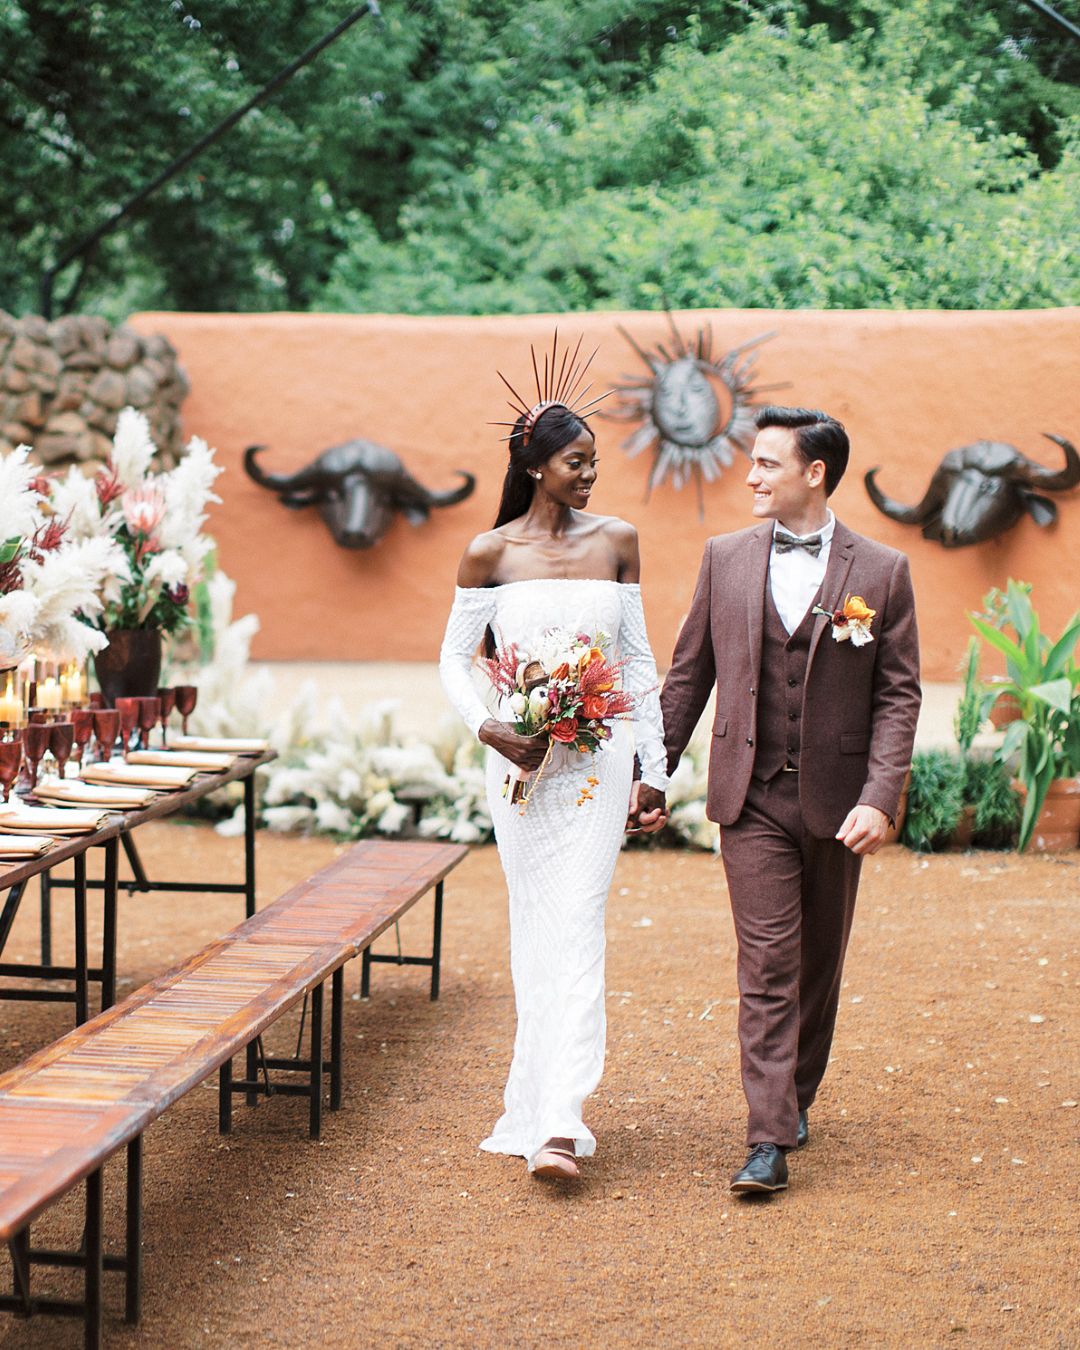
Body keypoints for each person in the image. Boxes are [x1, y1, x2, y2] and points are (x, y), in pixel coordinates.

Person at [637, 405, 921, 1195]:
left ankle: (794, 1097)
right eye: (753, 462)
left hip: (837, 802)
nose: (752, 476)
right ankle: (766, 1139)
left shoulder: (882, 571)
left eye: (767, 463)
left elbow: (898, 698)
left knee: (819, 965)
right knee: (767, 964)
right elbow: (688, 676)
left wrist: (880, 797)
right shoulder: (724, 558)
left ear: (814, 473)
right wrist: (654, 772)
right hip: (751, 797)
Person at [439, 348, 669, 1181]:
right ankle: (535, 1107)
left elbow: (640, 667)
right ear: (534, 466)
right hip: (523, 774)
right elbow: (454, 660)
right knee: (534, 929)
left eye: (595, 465)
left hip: (601, 771)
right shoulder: (488, 554)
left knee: (579, 923)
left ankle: (562, 1122)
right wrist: (492, 728)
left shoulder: (619, 542)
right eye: (576, 464)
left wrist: (658, 769)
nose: (589, 478)